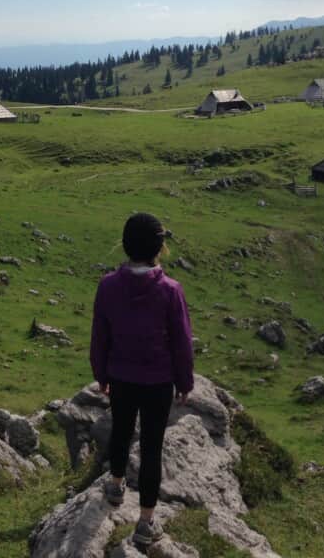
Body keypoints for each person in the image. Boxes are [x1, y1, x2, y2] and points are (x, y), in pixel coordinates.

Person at [90, 212, 195, 547]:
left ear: (124, 245)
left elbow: (100, 337)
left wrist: (101, 373)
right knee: (152, 447)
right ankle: (146, 521)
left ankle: (116, 484)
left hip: (120, 376)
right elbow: (181, 341)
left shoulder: (107, 286)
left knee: (121, 431)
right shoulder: (170, 290)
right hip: (158, 381)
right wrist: (185, 381)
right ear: (159, 248)